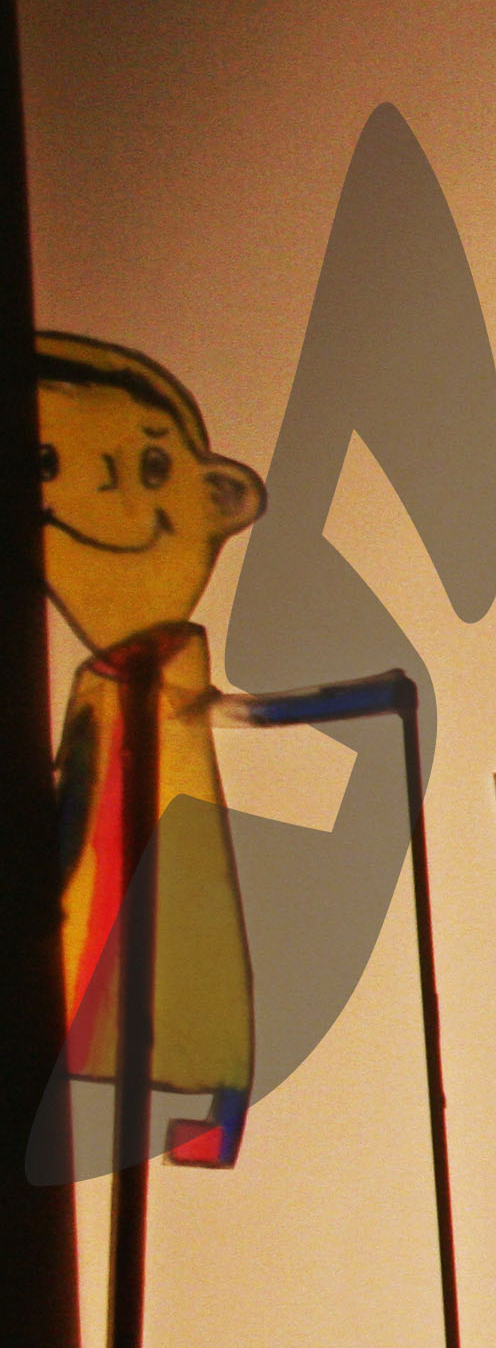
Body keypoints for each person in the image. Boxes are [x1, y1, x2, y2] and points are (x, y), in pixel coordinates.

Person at [40, 332, 265, 1166]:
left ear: (218, 499)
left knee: (187, 973)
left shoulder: (162, 666)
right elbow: (77, 788)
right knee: (122, 963)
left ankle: (210, 1109)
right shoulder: (103, 679)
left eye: (152, 466)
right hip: (119, 852)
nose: (105, 487)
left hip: (170, 843)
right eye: (47, 463)